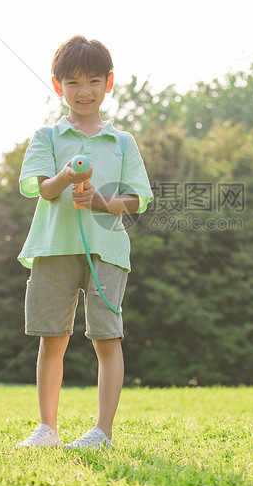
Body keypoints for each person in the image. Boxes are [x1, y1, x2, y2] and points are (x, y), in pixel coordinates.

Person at [15, 35, 152, 449]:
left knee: (106, 338)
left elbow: (136, 200)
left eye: (93, 81)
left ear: (109, 83)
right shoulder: (47, 137)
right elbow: (44, 190)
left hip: (106, 251)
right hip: (53, 247)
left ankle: (102, 433)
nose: (84, 91)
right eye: (73, 83)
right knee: (52, 339)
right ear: (58, 87)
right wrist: (68, 178)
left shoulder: (123, 141)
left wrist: (98, 200)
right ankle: (47, 430)